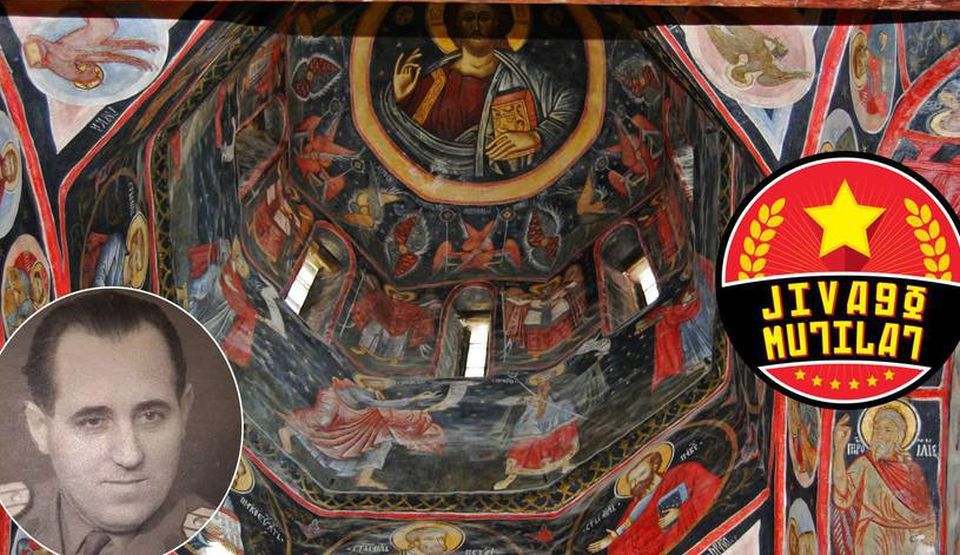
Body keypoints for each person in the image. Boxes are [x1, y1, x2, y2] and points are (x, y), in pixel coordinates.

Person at [0, 291, 214, 555]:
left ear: (184, 412)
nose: (130, 456)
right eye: (92, 421)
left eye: (150, 416)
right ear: (40, 428)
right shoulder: (13, 518)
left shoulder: (219, 533)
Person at [381, 3, 579, 179]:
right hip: (441, 186)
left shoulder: (523, 72)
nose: (475, 25)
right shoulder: (435, 81)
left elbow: (570, 100)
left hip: (510, 186)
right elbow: (411, 139)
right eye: (468, 18)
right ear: (456, 25)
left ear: (498, 23)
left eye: (484, 17)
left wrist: (537, 136)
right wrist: (402, 100)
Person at [278, 375, 445, 490]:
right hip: (335, 406)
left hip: (351, 418)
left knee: (382, 440)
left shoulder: (376, 396)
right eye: (377, 382)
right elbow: (379, 405)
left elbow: (385, 410)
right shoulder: (358, 391)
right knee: (322, 422)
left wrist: (420, 404)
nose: (379, 385)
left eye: (381, 384)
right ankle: (288, 431)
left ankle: (365, 478)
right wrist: (414, 399)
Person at [831, 403, 937, 554]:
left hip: (907, 538)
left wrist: (930, 529)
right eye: (877, 428)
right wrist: (839, 447)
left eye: (887, 430)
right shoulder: (865, 464)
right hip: (874, 535)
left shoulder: (913, 470)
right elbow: (842, 491)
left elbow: (926, 512)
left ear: (898, 436)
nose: (880, 434)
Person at [587, 445, 721, 554]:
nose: (637, 482)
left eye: (641, 474)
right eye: (632, 481)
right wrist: (613, 537)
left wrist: (680, 513)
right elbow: (629, 526)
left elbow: (711, 489)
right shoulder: (636, 507)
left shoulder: (684, 472)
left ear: (655, 466)